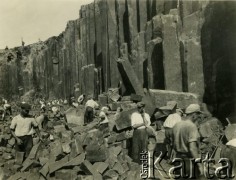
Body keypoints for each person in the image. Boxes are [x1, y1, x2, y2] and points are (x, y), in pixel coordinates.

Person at [172, 104, 204, 179]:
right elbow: (192, 148)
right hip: (188, 161)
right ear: (194, 114)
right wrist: (199, 165)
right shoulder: (192, 126)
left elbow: (173, 143)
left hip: (178, 159)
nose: (198, 117)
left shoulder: (177, 125)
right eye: (198, 114)